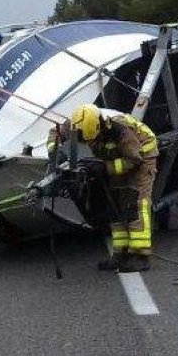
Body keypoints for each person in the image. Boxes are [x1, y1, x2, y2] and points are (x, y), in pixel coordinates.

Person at [64, 104, 160, 273]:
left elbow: (134, 160)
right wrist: (55, 154)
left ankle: (140, 256)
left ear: (98, 127)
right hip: (119, 157)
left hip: (142, 156)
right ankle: (120, 254)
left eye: (90, 139)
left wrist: (105, 168)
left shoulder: (120, 130)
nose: (90, 143)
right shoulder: (78, 124)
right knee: (114, 203)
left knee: (135, 203)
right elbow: (54, 132)